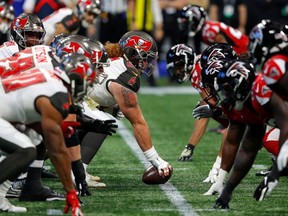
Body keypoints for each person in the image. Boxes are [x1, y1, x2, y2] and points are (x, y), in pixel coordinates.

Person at [0, 52, 95, 215]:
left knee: (36, 139)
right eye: (87, 83)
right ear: (76, 80)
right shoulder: (57, 97)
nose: (87, 88)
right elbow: (57, 152)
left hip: (5, 114)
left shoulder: (49, 75)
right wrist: (70, 192)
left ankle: (0, 196)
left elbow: (23, 107)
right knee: (27, 151)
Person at [80, 30, 173, 179]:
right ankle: (79, 173)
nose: (148, 64)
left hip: (74, 100)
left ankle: (62, 168)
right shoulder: (127, 76)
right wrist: (156, 160)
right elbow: (138, 122)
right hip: (74, 103)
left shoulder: (114, 59)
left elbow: (98, 92)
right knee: (104, 122)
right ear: (135, 55)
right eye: (146, 58)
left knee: (101, 115)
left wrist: (113, 106)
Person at [166, 43, 239, 183]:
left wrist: (190, 146)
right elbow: (210, 104)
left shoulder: (203, 71)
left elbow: (210, 106)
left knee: (227, 117)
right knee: (211, 110)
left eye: (178, 67)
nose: (177, 72)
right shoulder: (201, 69)